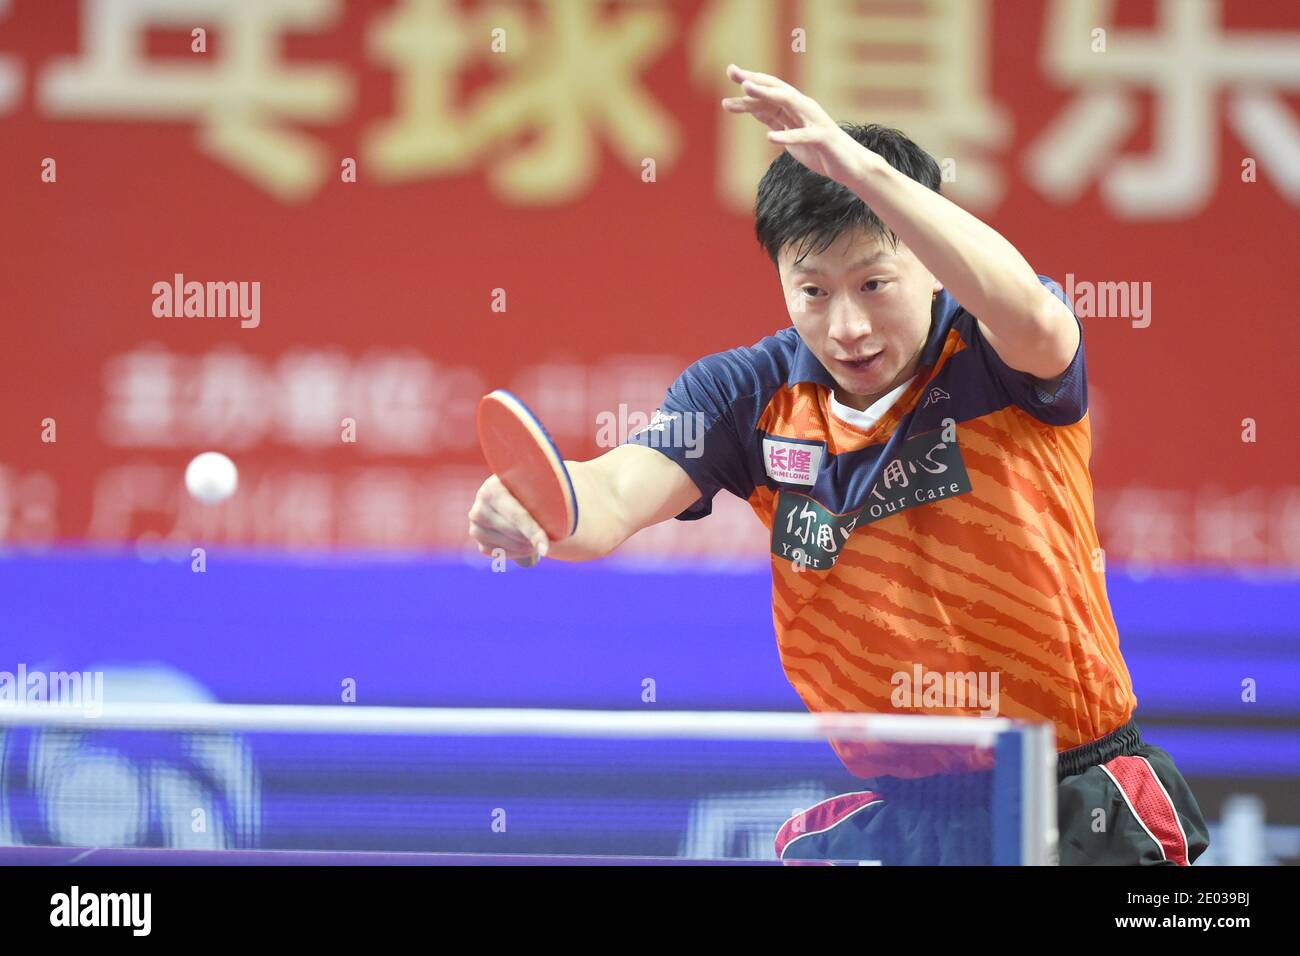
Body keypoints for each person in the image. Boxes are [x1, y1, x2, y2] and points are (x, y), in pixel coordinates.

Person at [467, 64, 1209, 866]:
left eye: (874, 283)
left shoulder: (1000, 352)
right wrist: (539, 505)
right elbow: (609, 496)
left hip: (1073, 796)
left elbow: (1028, 306)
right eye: (813, 290)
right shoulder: (745, 395)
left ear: (926, 262)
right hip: (908, 817)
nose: (847, 325)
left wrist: (861, 169)